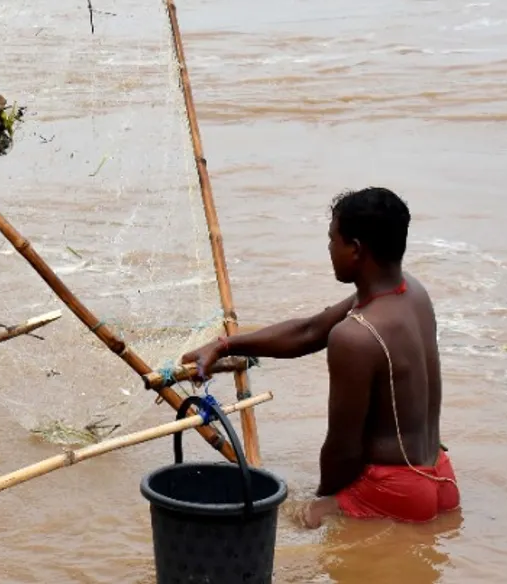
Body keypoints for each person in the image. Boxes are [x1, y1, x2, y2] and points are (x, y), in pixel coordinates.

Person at [181, 187, 459, 527]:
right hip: (439, 476)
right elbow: (310, 331)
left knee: (284, 524)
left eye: (332, 240)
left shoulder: (355, 336)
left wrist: (319, 503)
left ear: (355, 249)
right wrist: (225, 345)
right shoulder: (412, 292)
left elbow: (343, 448)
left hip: (394, 490)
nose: (329, 249)